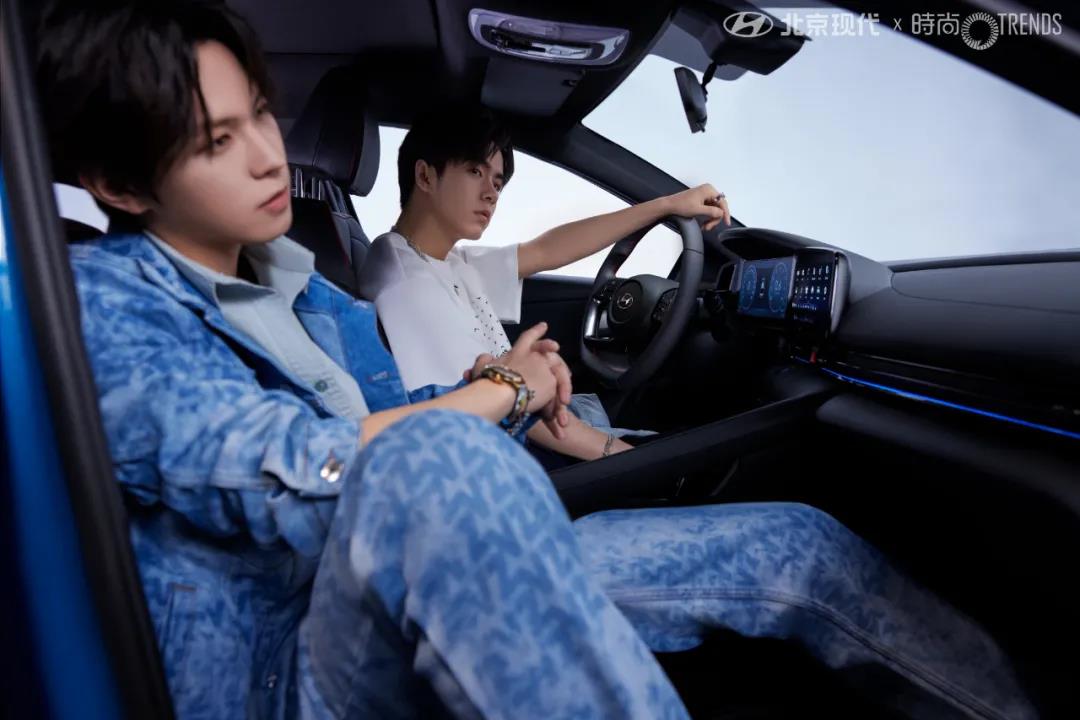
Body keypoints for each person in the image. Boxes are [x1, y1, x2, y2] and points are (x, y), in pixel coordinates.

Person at [36, 2, 1036, 719]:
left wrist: (510, 391)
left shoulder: (304, 286)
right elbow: (304, 473)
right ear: (119, 183)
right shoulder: (103, 304)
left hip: (406, 564)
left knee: (797, 547)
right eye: (218, 140)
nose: (268, 154)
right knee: (444, 458)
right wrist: (500, 392)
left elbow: (406, 413)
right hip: (286, 664)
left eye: (260, 112)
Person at [356, 105, 730, 462]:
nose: (491, 193)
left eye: (497, 182)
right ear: (425, 176)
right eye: (474, 171)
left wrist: (666, 205)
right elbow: (500, 404)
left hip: (534, 429)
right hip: (517, 453)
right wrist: (624, 457)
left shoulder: (445, 260)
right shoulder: (406, 282)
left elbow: (543, 251)